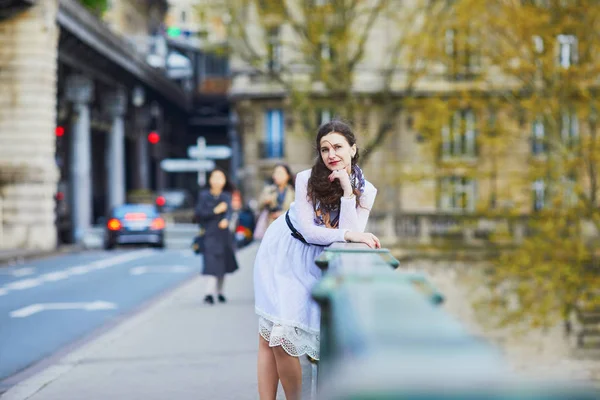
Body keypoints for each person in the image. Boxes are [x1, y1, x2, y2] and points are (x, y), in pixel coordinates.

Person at [253, 120, 380, 400]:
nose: (331, 154)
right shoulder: (306, 179)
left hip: (317, 260)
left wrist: (347, 192)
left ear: (353, 149)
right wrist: (349, 233)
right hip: (284, 249)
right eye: (324, 149)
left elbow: (346, 237)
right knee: (271, 335)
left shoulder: (365, 191)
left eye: (337, 147)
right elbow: (310, 231)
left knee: (283, 336)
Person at [195, 168, 239, 305]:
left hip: (224, 235)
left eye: (220, 177)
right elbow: (199, 214)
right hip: (209, 234)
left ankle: (220, 292)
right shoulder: (204, 196)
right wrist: (215, 211)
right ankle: (209, 293)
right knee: (211, 263)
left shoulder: (226, 196)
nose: (217, 180)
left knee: (222, 264)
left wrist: (226, 219)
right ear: (210, 180)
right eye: (215, 177)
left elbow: (230, 212)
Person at [254, 164, 296, 240]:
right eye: (275, 173)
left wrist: (282, 214)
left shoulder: (293, 191)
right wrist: (265, 202)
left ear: (288, 175)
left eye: (280, 173)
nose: (276, 176)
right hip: (271, 225)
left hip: (287, 227)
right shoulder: (268, 190)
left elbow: (297, 210)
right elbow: (258, 208)